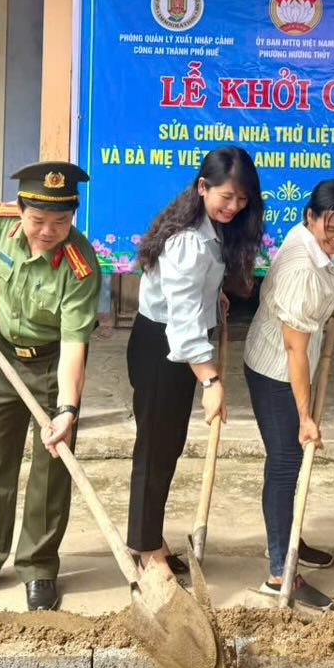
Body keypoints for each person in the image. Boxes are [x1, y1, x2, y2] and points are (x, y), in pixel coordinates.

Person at [0, 162, 101, 611]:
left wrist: (67, 411)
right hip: (3, 357)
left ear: (73, 216)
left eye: (60, 221)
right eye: (38, 220)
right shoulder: (3, 228)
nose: (48, 230)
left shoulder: (80, 265)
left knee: (52, 467)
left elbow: (75, 346)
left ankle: (39, 566)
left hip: (52, 366)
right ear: (21, 210)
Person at [127, 146, 263, 578]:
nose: (234, 207)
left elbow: (189, 295)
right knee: (155, 448)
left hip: (174, 343)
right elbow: (182, 324)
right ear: (202, 187)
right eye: (226, 196)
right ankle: (145, 549)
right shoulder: (188, 241)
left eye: (242, 200)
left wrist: (213, 296)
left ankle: (150, 537)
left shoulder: (209, 228)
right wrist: (211, 381)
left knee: (164, 447)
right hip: (163, 349)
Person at [243, 179, 334, 609]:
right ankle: (279, 572)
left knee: (288, 464)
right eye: (330, 229)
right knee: (286, 462)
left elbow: (322, 294)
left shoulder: (303, 239)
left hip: (286, 362)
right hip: (277, 372)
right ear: (310, 217)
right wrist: (306, 417)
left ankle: (291, 539)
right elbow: (295, 350)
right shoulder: (300, 268)